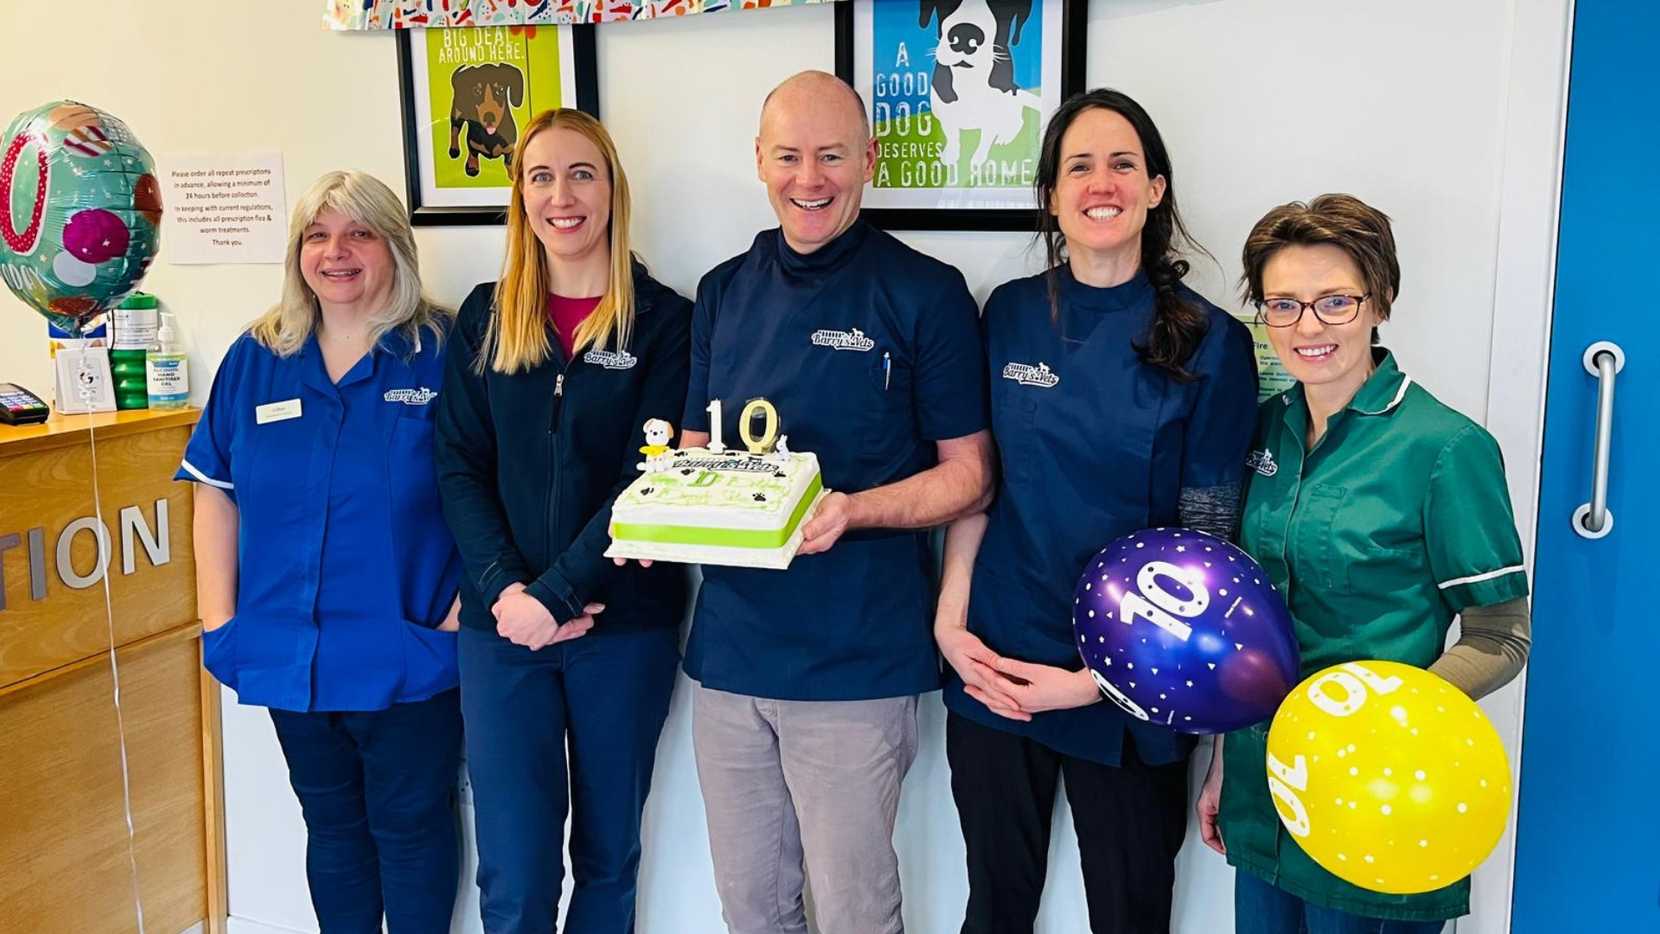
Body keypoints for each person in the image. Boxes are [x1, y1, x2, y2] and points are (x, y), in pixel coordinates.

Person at [933, 88, 1259, 933]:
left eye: (1123, 163)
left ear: (1156, 188)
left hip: (1135, 688)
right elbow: (981, 483)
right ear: (1051, 195)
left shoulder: (1210, 341)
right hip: (996, 668)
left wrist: (1092, 683)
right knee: (995, 907)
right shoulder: (1006, 314)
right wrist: (950, 618)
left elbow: (1209, 554)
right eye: (1079, 165)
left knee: (1131, 914)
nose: (1100, 183)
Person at [674, 71, 993, 934]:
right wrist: (656, 511)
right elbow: (695, 459)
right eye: (788, 156)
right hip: (732, 660)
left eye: (830, 156)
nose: (808, 179)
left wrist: (853, 509)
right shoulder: (722, 291)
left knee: (855, 912)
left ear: (868, 160)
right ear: (759, 162)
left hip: (857, 661)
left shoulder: (926, 293)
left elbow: (971, 476)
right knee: (752, 909)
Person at [1196, 194, 1532, 934]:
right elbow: (1255, 623)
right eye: (1282, 305)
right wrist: (1227, 762)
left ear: (1380, 300)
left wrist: (1389, 720)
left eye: (1334, 302)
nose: (1306, 327)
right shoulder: (1263, 432)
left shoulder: (1444, 449)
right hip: (1266, 790)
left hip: (1378, 798)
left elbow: (1502, 635)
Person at [179, 170, 462, 934]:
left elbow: (490, 489)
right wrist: (218, 621)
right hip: (285, 652)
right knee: (332, 832)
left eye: (359, 233)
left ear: (393, 247)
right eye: (317, 235)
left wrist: (457, 619)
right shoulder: (258, 355)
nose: (336, 253)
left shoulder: (443, 352)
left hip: (406, 653)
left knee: (412, 833)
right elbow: (214, 488)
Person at [433, 108, 691, 934]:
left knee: (609, 857)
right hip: (500, 631)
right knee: (514, 865)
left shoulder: (667, 324)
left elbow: (651, 480)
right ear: (519, 197)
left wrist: (561, 592)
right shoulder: (484, 317)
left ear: (612, 190)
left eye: (581, 173)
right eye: (540, 177)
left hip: (624, 629)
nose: (561, 195)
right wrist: (511, 593)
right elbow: (459, 466)